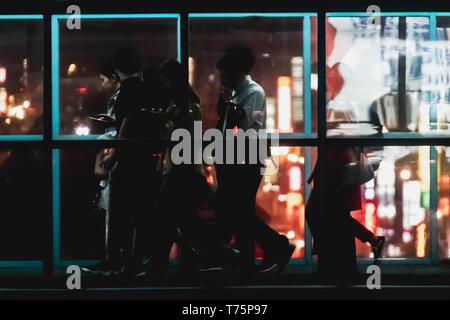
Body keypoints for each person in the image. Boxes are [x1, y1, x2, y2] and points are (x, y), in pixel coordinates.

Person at [140, 59, 240, 277]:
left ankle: (154, 265)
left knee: (165, 219)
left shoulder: (186, 109)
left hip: (181, 172)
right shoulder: (182, 107)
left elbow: (181, 142)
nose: (164, 86)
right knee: (186, 224)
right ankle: (226, 256)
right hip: (184, 172)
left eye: (166, 81)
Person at [214, 46, 295, 274]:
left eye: (224, 75)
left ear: (236, 72)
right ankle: (249, 258)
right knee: (242, 210)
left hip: (249, 158)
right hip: (238, 158)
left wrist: (228, 106)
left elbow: (242, 124)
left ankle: (277, 245)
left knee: (239, 210)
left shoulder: (253, 92)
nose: (221, 80)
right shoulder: (238, 92)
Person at [100, 46, 162, 275]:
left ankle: (117, 260)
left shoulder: (128, 89)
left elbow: (128, 121)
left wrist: (115, 152)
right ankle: (131, 260)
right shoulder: (144, 87)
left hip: (128, 160)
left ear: (117, 68)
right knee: (139, 213)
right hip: (143, 159)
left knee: (120, 213)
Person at [82, 61, 121, 275]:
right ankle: (113, 258)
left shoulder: (121, 98)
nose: (102, 83)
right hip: (112, 155)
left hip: (114, 158)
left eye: (104, 79)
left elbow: (122, 130)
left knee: (113, 211)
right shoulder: (117, 99)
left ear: (114, 77)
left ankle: (113, 259)